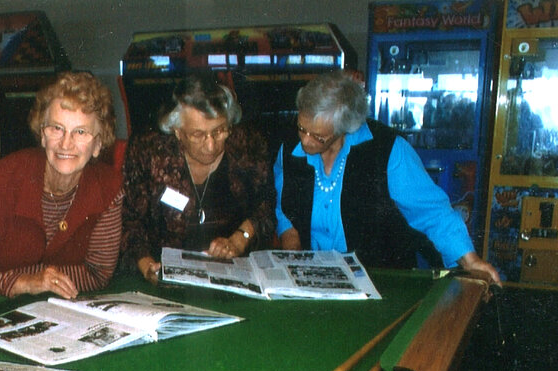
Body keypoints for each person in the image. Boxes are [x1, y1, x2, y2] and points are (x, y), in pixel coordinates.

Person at [274, 70, 501, 284]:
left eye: (319, 137)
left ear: (345, 128)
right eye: (302, 129)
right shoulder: (289, 151)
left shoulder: (387, 149)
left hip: (380, 280)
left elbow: (432, 212)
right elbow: (282, 204)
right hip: (314, 280)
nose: (305, 141)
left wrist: (470, 260)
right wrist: (290, 240)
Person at [0, 71, 123, 300]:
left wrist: (44, 281)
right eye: (56, 128)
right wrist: (25, 282)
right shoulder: (0, 182)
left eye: (80, 132)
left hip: (35, 307)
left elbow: (98, 273)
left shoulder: (109, 188)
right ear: (42, 135)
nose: (66, 143)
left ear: (98, 144)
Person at [120, 74, 276, 284]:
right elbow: (130, 220)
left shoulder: (248, 146)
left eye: (219, 131)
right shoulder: (149, 152)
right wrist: (147, 265)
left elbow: (265, 207)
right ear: (177, 131)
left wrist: (239, 240)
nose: (211, 146)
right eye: (197, 135)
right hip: (163, 274)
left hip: (233, 276)